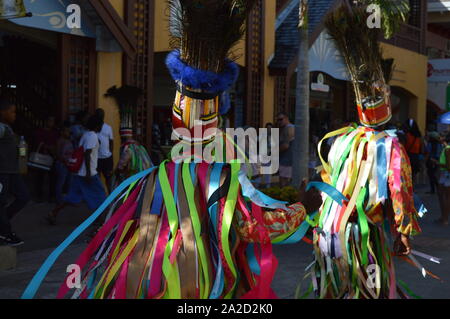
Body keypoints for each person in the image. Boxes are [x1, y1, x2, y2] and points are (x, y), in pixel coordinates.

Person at [24, 1, 323, 299]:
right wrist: (303, 208)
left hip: (150, 284)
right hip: (203, 287)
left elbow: (125, 225)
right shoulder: (220, 179)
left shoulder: (151, 177)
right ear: (216, 121)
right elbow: (253, 226)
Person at [46, 116, 106, 225]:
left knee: (72, 197)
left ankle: (53, 213)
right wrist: (88, 173)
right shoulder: (92, 136)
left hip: (79, 172)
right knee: (100, 195)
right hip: (89, 172)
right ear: (97, 125)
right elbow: (87, 154)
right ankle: (99, 219)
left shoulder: (86, 135)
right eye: (101, 124)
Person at [0, 98, 30, 246]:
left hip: (12, 171)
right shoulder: (1, 128)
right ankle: (5, 232)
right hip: (2, 172)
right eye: (12, 112)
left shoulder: (8, 128)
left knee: (23, 196)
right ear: (2, 112)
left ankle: (2, 224)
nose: (14, 115)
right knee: (1, 202)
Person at [33, 116, 59, 203]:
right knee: (40, 177)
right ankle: (39, 195)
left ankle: (52, 196)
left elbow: (56, 143)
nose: (51, 123)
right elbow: (38, 142)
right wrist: (47, 147)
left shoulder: (55, 132)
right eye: (50, 121)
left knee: (53, 177)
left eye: (53, 121)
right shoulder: (39, 131)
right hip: (42, 157)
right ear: (46, 121)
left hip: (52, 157)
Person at [94, 108, 114, 193]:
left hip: (107, 157)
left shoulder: (108, 128)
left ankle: (110, 196)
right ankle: (99, 196)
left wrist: (110, 153)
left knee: (108, 178)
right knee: (97, 179)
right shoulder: (93, 128)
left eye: (100, 115)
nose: (99, 116)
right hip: (96, 157)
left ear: (103, 116)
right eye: (98, 115)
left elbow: (111, 141)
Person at [55, 123, 73, 205]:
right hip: (62, 164)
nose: (68, 133)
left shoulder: (69, 140)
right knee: (60, 183)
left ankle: (67, 199)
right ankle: (59, 199)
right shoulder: (60, 141)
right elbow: (58, 154)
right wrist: (64, 161)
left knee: (68, 182)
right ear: (62, 132)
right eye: (66, 131)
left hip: (69, 165)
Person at [277, 112, 295, 187]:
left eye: (281, 119)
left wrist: (273, 152)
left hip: (287, 160)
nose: (279, 122)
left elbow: (285, 145)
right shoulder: (289, 127)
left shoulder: (288, 128)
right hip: (289, 160)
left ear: (287, 118)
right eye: (278, 120)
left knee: (284, 183)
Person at [437, 133, 450, 226]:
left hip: (447, 175)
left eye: (441, 136)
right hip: (444, 175)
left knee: (446, 197)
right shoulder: (446, 148)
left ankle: (445, 219)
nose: (439, 137)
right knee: (441, 196)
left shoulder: (448, 149)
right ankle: (443, 217)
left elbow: (448, 166)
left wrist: (437, 163)